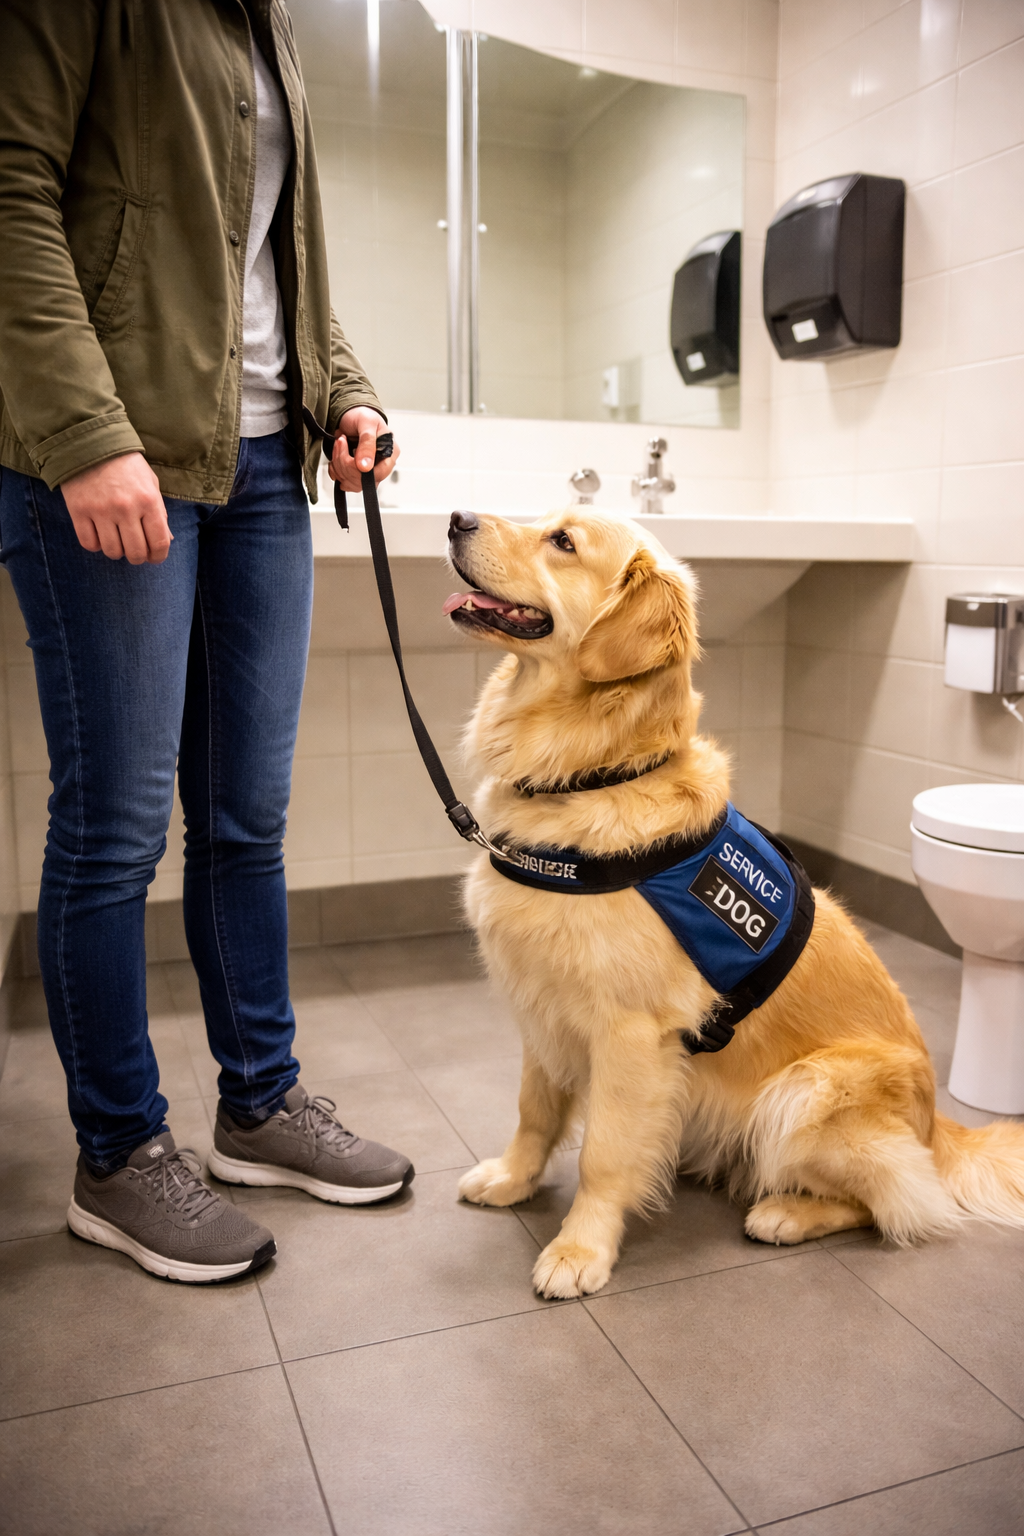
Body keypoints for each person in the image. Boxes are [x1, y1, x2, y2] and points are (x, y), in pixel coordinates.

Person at [0, 1, 414, 1283]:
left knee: (247, 814)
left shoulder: (270, 25)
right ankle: (119, 1156)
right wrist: (85, 434)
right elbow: (12, 192)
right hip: (113, 454)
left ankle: (260, 1106)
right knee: (115, 824)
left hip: (260, 464)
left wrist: (345, 392)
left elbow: (278, 259)